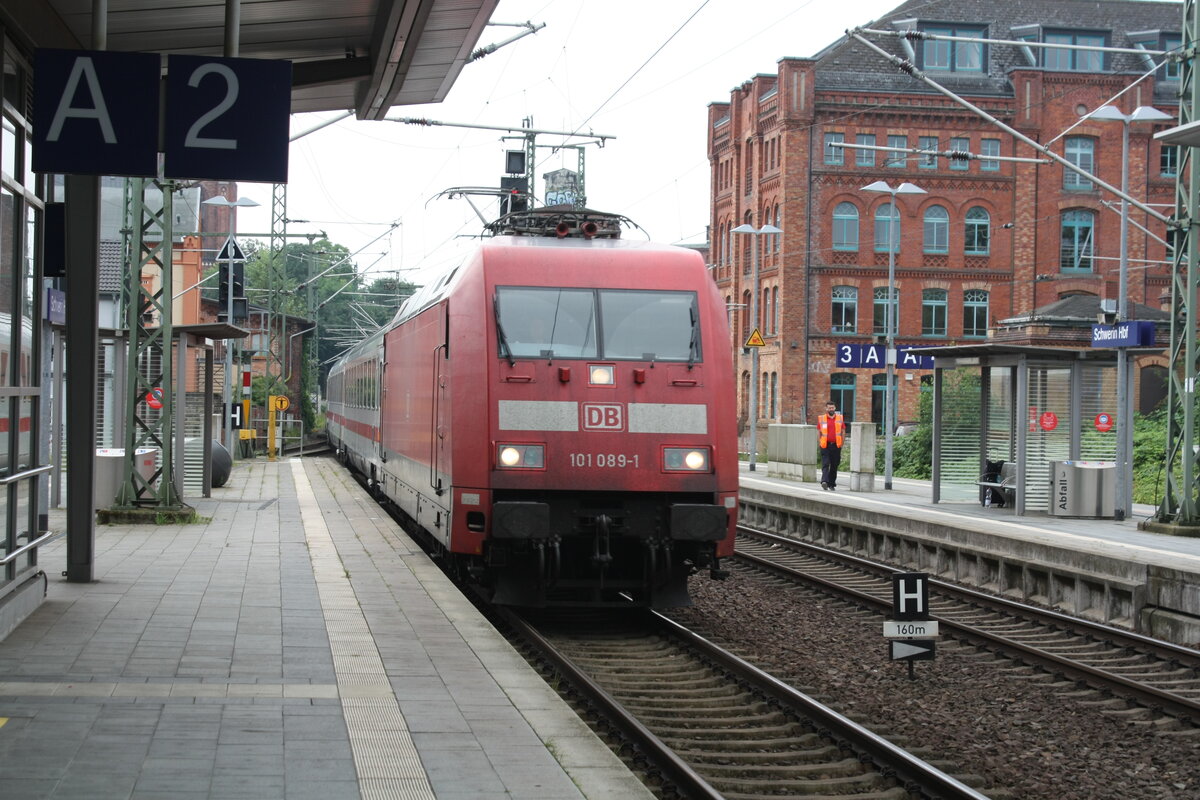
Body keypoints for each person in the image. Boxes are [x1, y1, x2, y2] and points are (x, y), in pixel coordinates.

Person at [817, 401, 845, 491]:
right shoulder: (822, 419)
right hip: (825, 445)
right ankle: (824, 481)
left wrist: (842, 443)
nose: (831, 409)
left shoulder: (840, 418)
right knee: (825, 463)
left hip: (836, 445)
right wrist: (820, 442)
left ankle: (831, 484)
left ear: (835, 408)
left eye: (832, 408)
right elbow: (819, 432)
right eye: (829, 408)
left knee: (834, 465)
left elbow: (843, 431)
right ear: (826, 409)